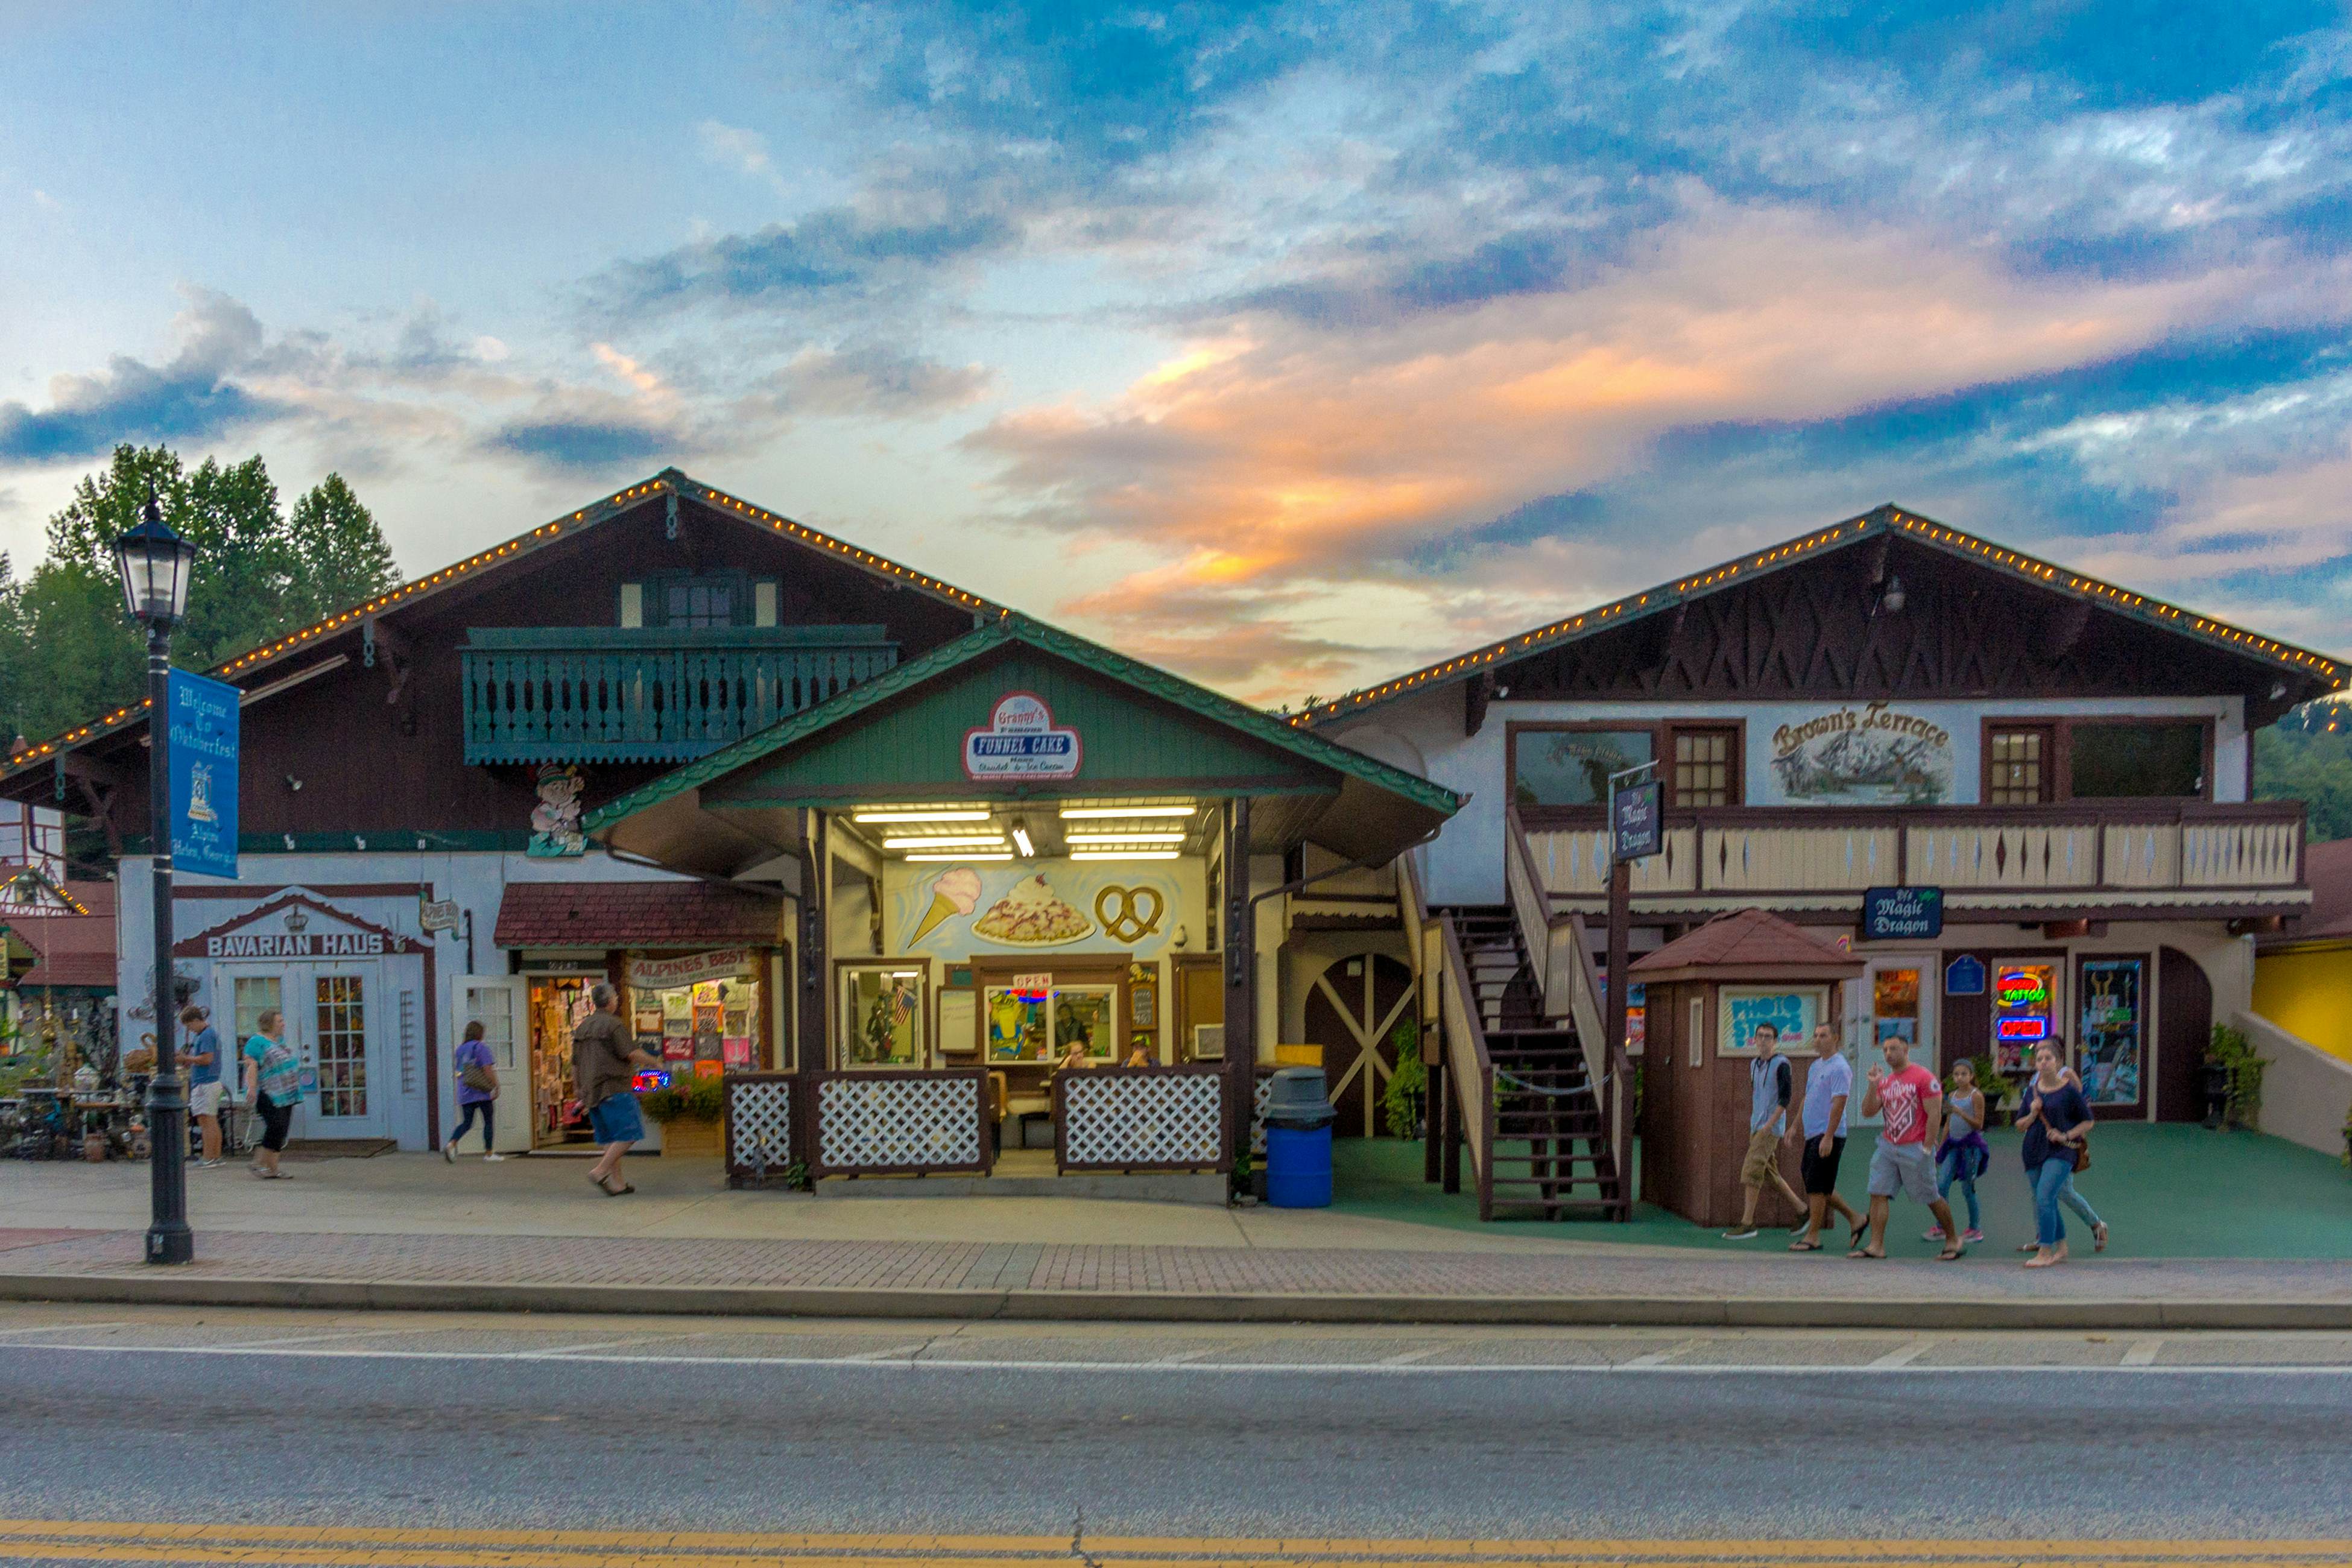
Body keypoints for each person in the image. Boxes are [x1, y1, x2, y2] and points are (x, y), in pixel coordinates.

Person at [1854, 1032, 1964, 1260]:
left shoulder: (1923, 1078)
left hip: (1915, 1146)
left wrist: (1926, 1149)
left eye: (1893, 1049)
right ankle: (1876, 1246)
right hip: (1887, 1145)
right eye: (1885, 1050)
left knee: (1931, 1196)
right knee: (1877, 1192)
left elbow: (1935, 1115)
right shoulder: (1885, 1082)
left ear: (1906, 1050)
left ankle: (1953, 1239)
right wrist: (1873, 1086)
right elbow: (1867, 1112)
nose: (1888, 1054)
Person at [2010, 1048, 2109, 1255]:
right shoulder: (2033, 1090)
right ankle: (2048, 1238)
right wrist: (2032, 1113)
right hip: (2035, 1149)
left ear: (2058, 1061)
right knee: (2045, 1195)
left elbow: (2087, 1119)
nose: (2044, 1062)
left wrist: (2066, 1135)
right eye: (2039, 1059)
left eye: (2048, 1058)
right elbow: (2020, 1123)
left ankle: (2093, 1225)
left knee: (2053, 1193)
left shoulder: (2068, 1085)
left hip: (2061, 1151)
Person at [575, 984, 660, 1197]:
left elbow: (575, 1063)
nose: (618, 1000)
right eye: (616, 997)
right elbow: (630, 1053)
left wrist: (579, 1089)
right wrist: (654, 1063)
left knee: (610, 1138)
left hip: (591, 1091)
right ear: (611, 1000)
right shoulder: (613, 1025)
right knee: (629, 1133)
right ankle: (600, 1171)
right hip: (614, 1087)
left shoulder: (583, 1027)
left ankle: (618, 1184)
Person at [1723, 1023, 1806, 1240]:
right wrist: (1758, 1125)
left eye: (1768, 1037)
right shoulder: (1754, 1065)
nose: (1763, 1040)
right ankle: (1802, 1210)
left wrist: (1770, 1125)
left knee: (1751, 1170)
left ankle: (1747, 1223)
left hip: (1770, 1128)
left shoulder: (1782, 1064)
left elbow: (1785, 1098)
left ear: (1775, 1041)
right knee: (1770, 1173)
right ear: (1755, 1040)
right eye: (1760, 1036)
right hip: (1756, 1125)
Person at [1789, 1023, 1864, 1252]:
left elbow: (1839, 1102)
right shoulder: (1816, 1066)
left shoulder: (1840, 1068)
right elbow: (1807, 1097)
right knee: (1818, 1184)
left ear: (1836, 1039)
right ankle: (1856, 1218)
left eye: (1824, 1036)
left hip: (1828, 1133)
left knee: (1817, 1186)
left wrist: (1829, 1136)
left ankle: (1813, 1236)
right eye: (1816, 1036)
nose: (1818, 1040)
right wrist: (1794, 1125)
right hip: (1813, 1133)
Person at [1926, 1058, 1989, 1245]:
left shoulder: (1976, 1096)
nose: (1960, 1078)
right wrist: (1942, 1146)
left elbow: (1979, 1124)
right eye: (1956, 1074)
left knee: (1967, 1188)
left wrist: (1960, 1112)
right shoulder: (1951, 1096)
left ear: (1971, 1076)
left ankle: (1974, 1228)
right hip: (1953, 1146)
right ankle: (1941, 1226)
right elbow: (1948, 1123)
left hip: (1970, 1147)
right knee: (1942, 1184)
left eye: (1964, 1074)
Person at [239, 1009, 303, 1180]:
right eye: (279, 1022)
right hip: (268, 1092)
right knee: (275, 1125)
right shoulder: (256, 1042)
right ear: (269, 1024)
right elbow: (251, 1065)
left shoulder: (278, 1041)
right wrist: (251, 1088)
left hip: (286, 1093)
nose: (283, 1024)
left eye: (283, 1021)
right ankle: (259, 1162)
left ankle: (273, 1168)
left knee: (282, 1130)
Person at [445, 1020, 504, 1162]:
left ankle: (452, 1143)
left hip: (465, 1091)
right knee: (488, 1121)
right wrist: (496, 1085)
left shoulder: (460, 1050)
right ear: (480, 1034)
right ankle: (489, 1153)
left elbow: (460, 1071)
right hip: (481, 1091)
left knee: (467, 1122)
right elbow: (487, 1069)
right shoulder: (480, 1048)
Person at [180, 1004, 227, 1168]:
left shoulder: (206, 1035)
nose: (190, 1030)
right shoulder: (208, 1034)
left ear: (195, 1020)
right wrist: (191, 1060)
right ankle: (216, 1155)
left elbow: (207, 1059)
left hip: (205, 1083)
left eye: (189, 1026)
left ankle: (208, 1158)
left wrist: (187, 1059)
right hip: (211, 1082)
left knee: (205, 1121)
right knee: (212, 1120)